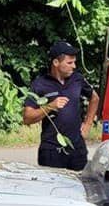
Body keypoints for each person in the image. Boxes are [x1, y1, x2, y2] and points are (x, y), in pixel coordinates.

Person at [23, 40, 99, 170]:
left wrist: (87, 124)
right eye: (69, 62)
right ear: (56, 63)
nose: (74, 66)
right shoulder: (40, 84)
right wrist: (50, 106)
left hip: (77, 147)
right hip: (51, 150)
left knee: (79, 186)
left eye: (74, 62)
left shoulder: (77, 79)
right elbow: (27, 118)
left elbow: (94, 98)